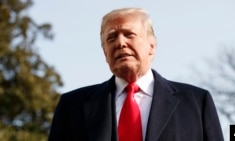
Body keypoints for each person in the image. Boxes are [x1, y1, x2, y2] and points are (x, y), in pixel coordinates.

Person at [48, 7, 224, 141]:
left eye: (129, 34)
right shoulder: (72, 106)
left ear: (152, 46)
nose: (120, 43)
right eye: (111, 37)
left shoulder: (197, 102)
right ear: (105, 53)